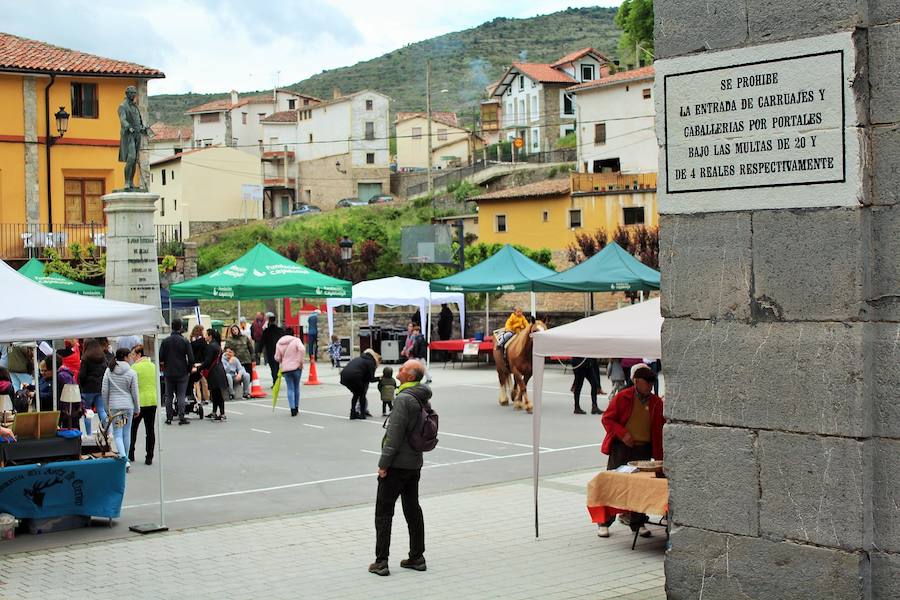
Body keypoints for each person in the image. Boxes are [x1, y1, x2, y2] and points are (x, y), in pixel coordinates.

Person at [368, 359, 431, 577]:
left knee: (384, 512)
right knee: (413, 509)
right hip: (414, 463)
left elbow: (393, 437)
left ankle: (381, 561)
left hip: (397, 464)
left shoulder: (404, 399)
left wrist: (383, 464)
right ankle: (417, 556)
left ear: (411, 376)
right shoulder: (422, 397)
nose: (399, 370)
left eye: (403, 368)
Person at [596, 363, 664, 539]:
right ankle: (604, 522)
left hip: (643, 450)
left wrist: (659, 457)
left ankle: (637, 522)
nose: (649, 386)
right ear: (636, 381)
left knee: (640, 488)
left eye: (651, 383)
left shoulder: (656, 402)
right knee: (614, 484)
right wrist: (623, 434)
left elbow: (658, 430)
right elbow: (607, 419)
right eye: (646, 382)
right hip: (621, 448)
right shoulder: (622, 397)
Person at [102, 347, 140, 472]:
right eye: (129, 356)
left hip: (115, 406)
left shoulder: (109, 371)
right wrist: (137, 408)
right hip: (128, 406)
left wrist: (106, 407)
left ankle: (123, 457)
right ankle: (126, 458)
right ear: (125, 357)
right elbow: (135, 393)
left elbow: (105, 391)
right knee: (126, 432)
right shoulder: (131, 372)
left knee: (117, 433)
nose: (131, 358)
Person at [159, 319, 194, 426]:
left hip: (169, 371)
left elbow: (161, 357)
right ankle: (181, 416)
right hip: (182, 371)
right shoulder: (184, 341)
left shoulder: (165, 341)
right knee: (181, 395)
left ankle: (169, 417)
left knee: (168, 395)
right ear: (181, 328)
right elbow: (191, 358)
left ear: (171, 327)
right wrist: (188, 369)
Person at [129, 344, 158, 466]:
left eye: (133, 354)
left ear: (139, 354)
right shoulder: (153, 366)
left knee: (133, 429)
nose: (132, 357)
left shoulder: (134, 368)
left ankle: (131, 453)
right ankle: (149, 456)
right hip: (152, 400)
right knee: (150, 430)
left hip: (139, 403)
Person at [118, 85, 149, 190]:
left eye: (134, 93)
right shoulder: (123, 106)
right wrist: (128, 127)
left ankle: (131, 181)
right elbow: (123, 119)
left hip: (137, 135)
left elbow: (138, 120)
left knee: (135, 159)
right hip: (128, 135)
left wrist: (142, 128)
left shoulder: (135, 107)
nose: (133, 95)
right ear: (127, 94)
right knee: (130, 158)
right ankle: (126, 182)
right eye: (131, 93)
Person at [78, 339, 109, 435]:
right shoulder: (103, 357)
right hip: (100, 388)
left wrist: (81, 385)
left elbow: (82, 375)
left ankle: (88, 434)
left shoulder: (85, 358)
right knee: (101, 410)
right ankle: (107, 431)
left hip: (87, 389)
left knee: (87, 411)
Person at [340, 349, 380, 419]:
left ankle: (353, 413)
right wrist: (380, 378)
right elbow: (371, 379)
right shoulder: (371, 362)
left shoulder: (359, 358)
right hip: (355, 377)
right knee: (362, 395)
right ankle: (362, 414)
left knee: (356, 394)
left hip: (344, 376)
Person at [274, 331, 305, 417]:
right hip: (297, 367)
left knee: (290, 388)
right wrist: (300, 361)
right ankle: (296, 407)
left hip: (286, 369)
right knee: (296, 387)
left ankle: (292, 409)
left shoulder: (279, 343)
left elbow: (276, 357)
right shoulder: (296, 340)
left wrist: (282, 360)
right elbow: (302, 349)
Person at [202, 328, 229, 421]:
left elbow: (208, 361)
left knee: (217, 393)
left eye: (206, 334)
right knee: (216, 393)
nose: (205, 336)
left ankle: (222, 413)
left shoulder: (211, 346)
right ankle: (215, 412)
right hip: (219, 370)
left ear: (210, 336)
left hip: (214, 372)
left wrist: (199, 367)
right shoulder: (217, 345)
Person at [189, 325, 210, 404]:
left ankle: (198, 398)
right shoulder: (203, 341)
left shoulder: (191, 340)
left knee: (196, 383)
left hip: (194, 363)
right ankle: (207, 398)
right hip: (201, 362)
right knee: (204, 382)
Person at [261, 313, 284, 383]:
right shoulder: (280, 330)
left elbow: (262, 341)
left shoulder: (266, 331)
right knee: (277, 365)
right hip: (279, 350)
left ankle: (275, 379)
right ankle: (276, 379)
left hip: (270, 351)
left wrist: (258, 350)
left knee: (272, 366)